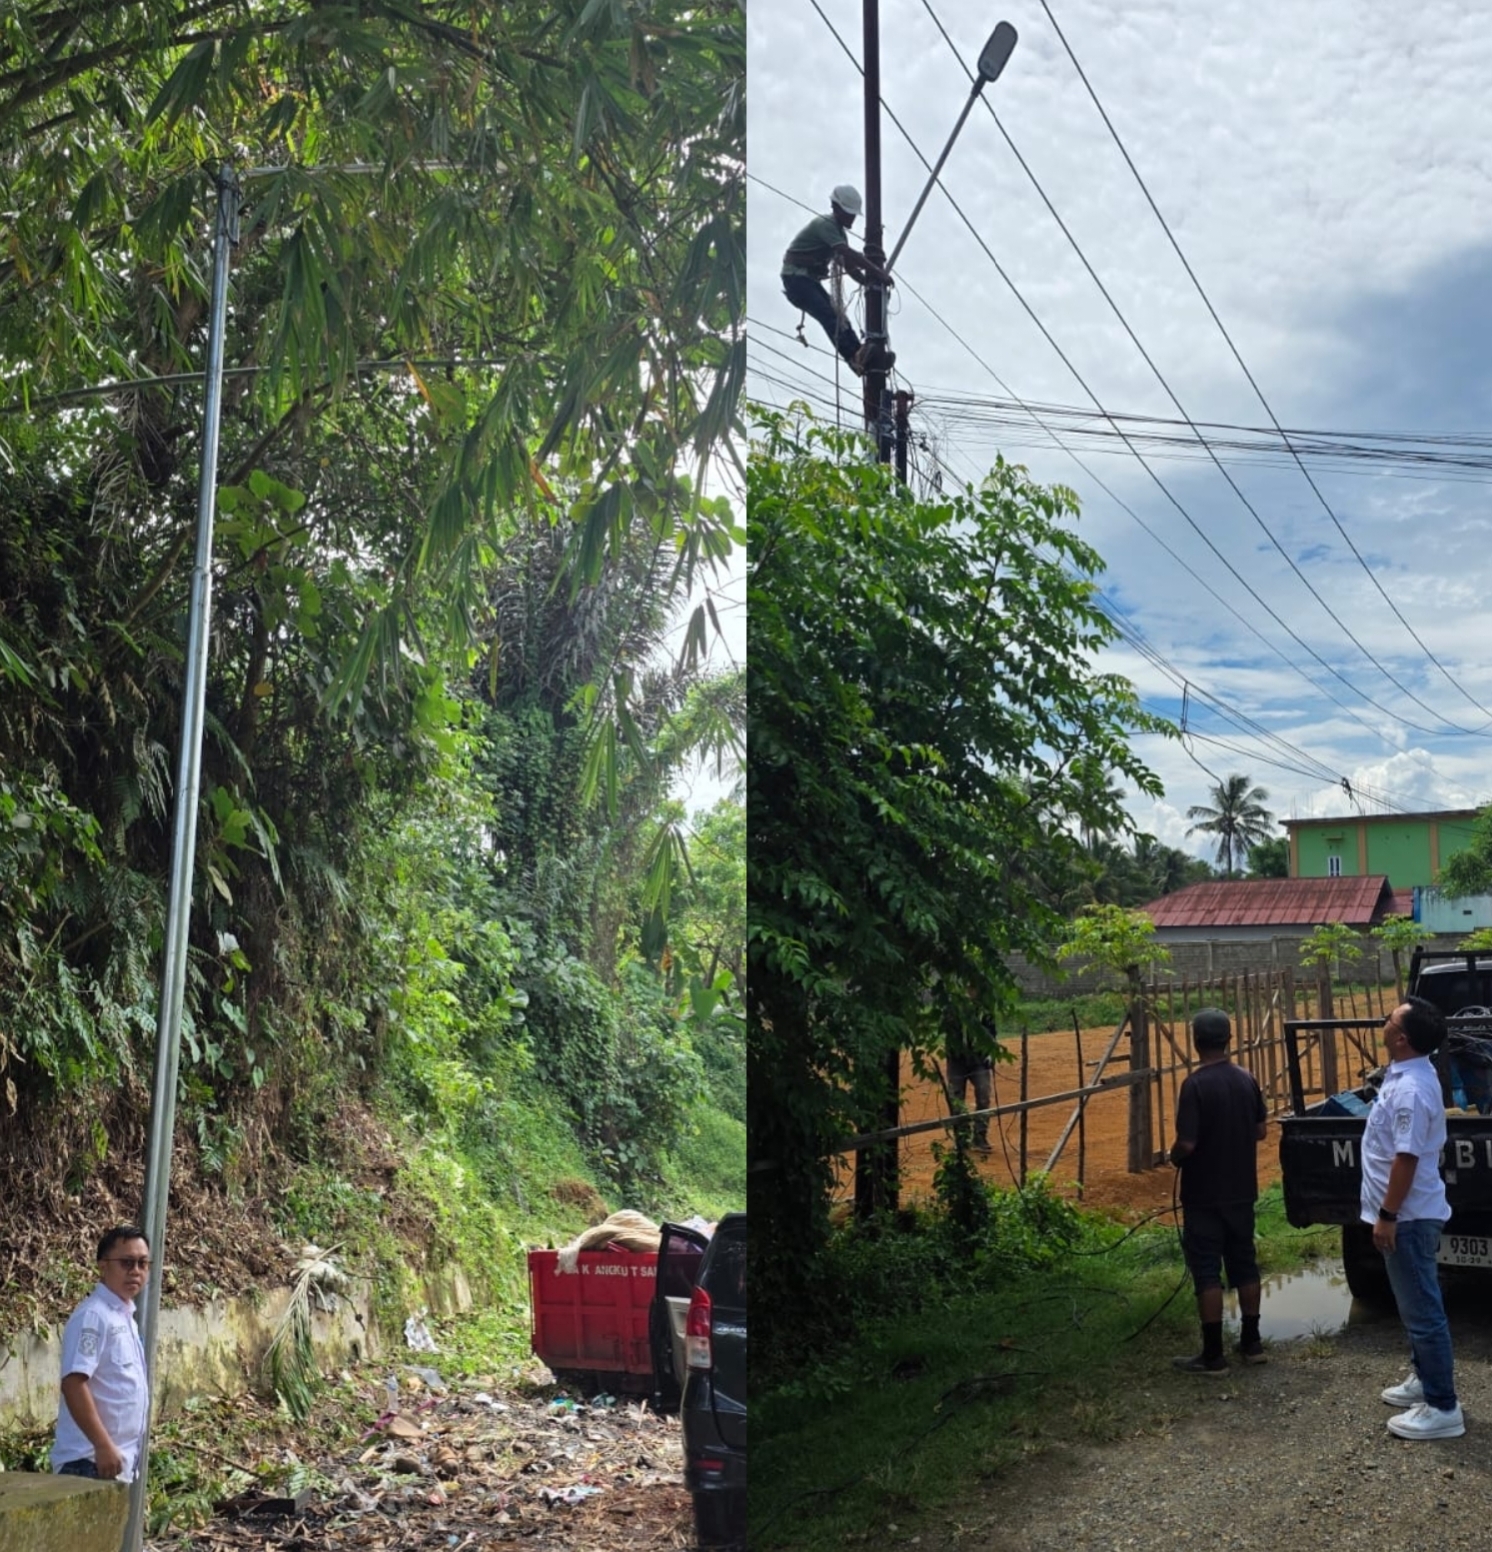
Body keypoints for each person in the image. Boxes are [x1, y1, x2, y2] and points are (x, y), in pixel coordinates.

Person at [1363, 996, 1464, 1440]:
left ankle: (1443, 1407)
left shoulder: (1411, 1089)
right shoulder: (1405, 1075)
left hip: (1408, 1217)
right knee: (1414, 1304)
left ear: (1401, 1038)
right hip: (1406, 1214)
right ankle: (1424, 1379)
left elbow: (1405, 1158)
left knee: (1423, 1310)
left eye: (1389, 1019)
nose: (1383, 1023)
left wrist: (1387, 1214)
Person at [1169, 1008, 1268, 1374]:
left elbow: (1187, 1144)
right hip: (1242, 1190)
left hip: (1204, 1195)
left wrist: (1174, 1156)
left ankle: (1213, 1356)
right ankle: (1252, 1344)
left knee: (1208, 1271)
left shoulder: (1194, 1085)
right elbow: (1260, 1130)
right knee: (1245, 1265)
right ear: (1229, 1040)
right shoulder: (1246, 1079)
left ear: (1196, 1042)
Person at [52, 1225, 151, 1481]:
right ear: (103, 1266)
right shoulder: (93, 1316)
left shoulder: (124, 1318)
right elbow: (74, 1383)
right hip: (89, 1461)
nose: (135, 1271)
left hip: (114, 1462)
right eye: (126, 1263)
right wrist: (102, 1444)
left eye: (142, 1263)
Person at [780, 184, 894, 374]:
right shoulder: (826, 225)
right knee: (829, 316)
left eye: (853, 215)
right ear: (835, 208)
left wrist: (868, 284)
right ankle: (854, 358)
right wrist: (878, 272)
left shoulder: (839, 233)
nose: (852, 218)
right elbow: (846, 253)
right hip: (795, 279)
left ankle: (860, 354)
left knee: (840, 318)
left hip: (807, 280)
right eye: (849, 214)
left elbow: (849, 267)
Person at [946, 1008, 996, 1155]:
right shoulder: (953, 1006)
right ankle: (961, 1138)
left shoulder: (984, 1009)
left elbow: (992, 1032)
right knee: (956, 1098)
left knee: (984, 1094)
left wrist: (991, 1053)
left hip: (979, 1059)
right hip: (956, 1059)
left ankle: (980, 1137)